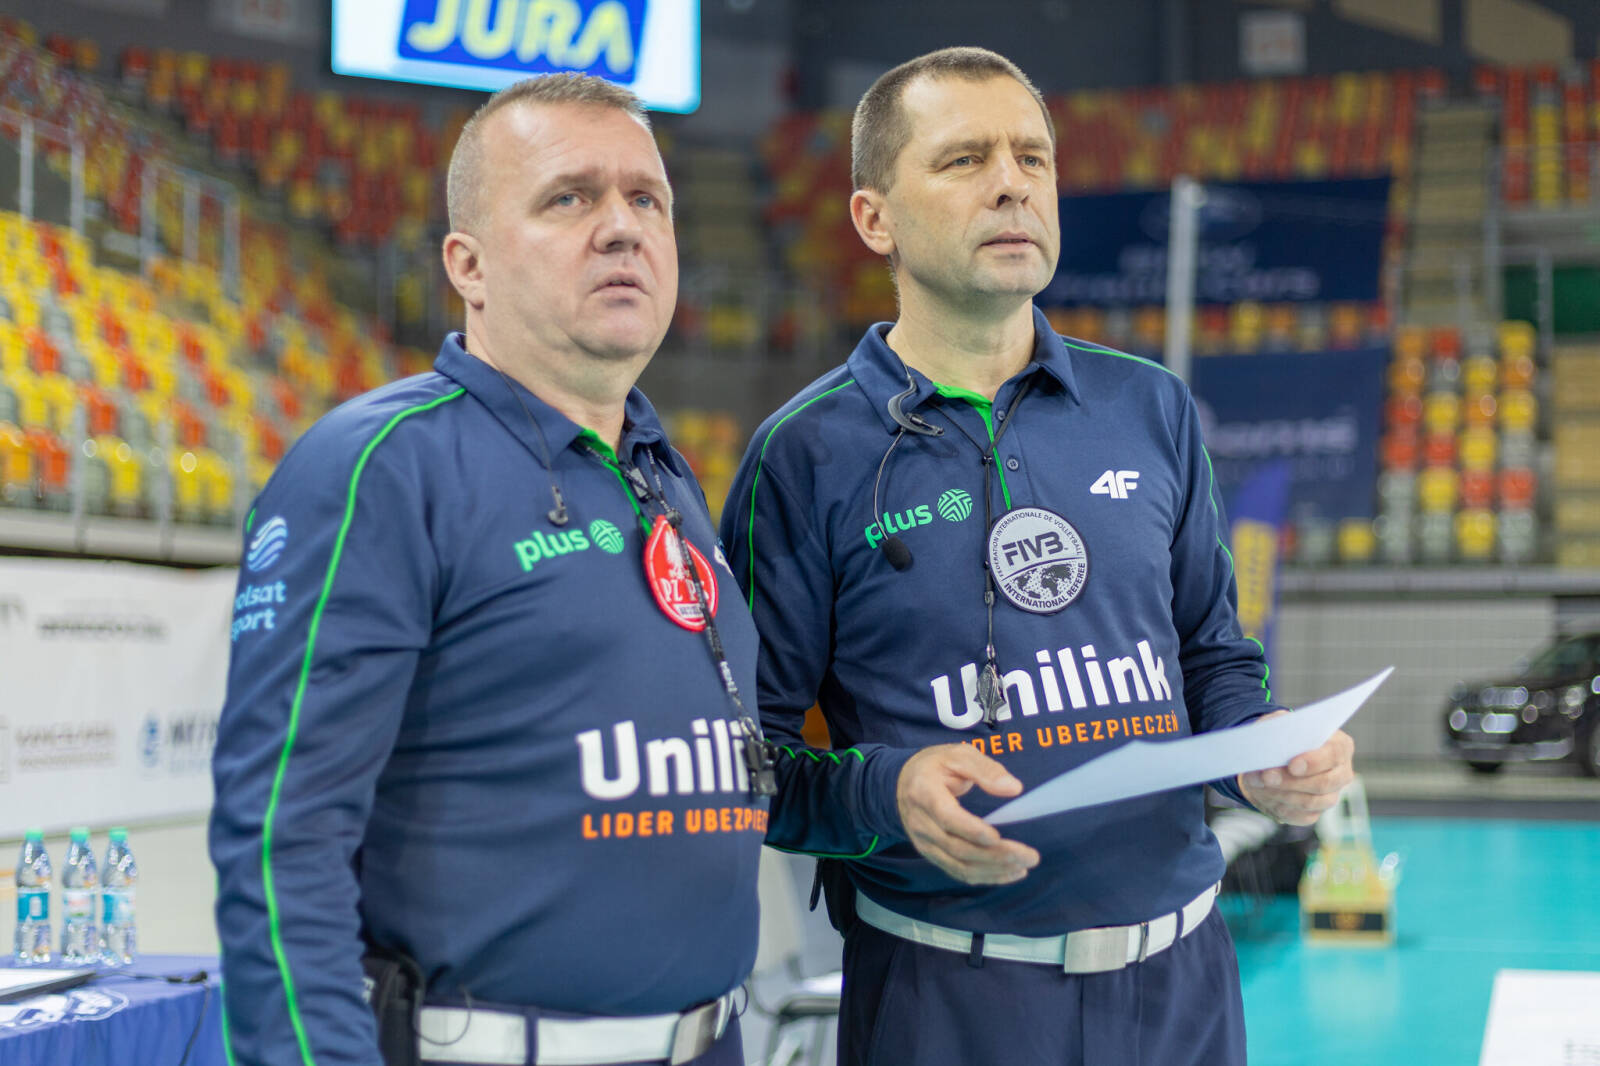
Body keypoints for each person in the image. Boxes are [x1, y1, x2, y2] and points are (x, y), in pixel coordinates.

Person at [720, 47, 1355, 1065]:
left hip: (1183, 986)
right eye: (964, 159)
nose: (1012, 183)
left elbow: (1213, 661)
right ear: (874, 218)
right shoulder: (804, 454)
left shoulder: (1149, 406)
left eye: (1033, 157)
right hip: (948, 997)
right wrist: (887, 793)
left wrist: (1262, 755)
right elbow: (747, 763)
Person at [211, 74, 771, 1066]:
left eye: (647, 199)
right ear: (466, 265)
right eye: (569, 197)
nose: (622, 227)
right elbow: (282, 840)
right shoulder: (378, 468)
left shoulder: (668, 479)